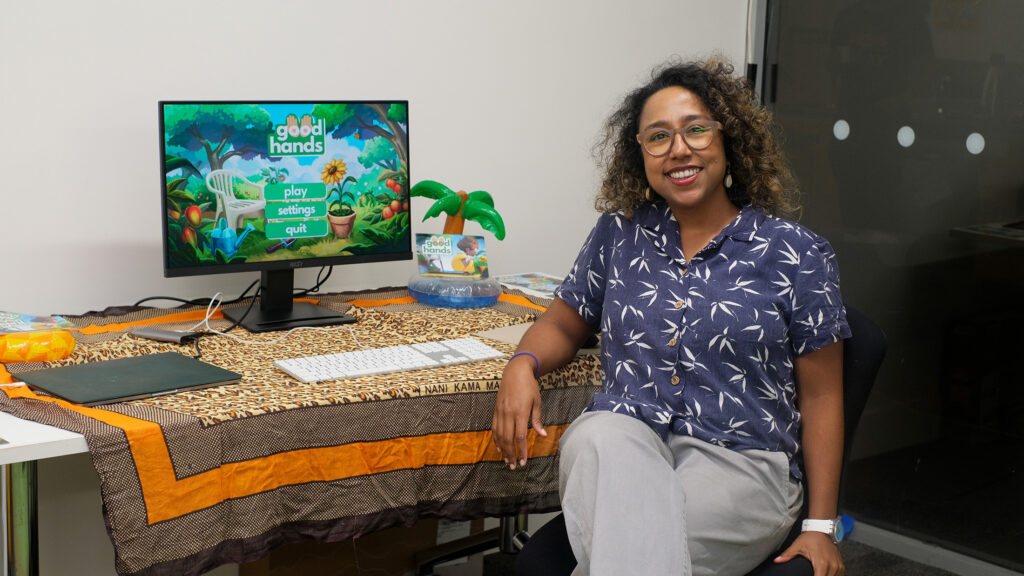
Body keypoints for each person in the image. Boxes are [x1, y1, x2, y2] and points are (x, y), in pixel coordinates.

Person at [491, 57, 850, 576]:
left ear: (730, 141)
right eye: (658, 137)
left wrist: (820, 528)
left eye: (696, 130)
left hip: (742, 463)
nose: (679, 149)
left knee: (634, 544)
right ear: (640, 156)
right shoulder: (620, 234)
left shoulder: (794, 253)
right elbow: (564, 323)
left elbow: (823, 395)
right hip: (627, 441)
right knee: (595, 435)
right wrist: (521, 364)